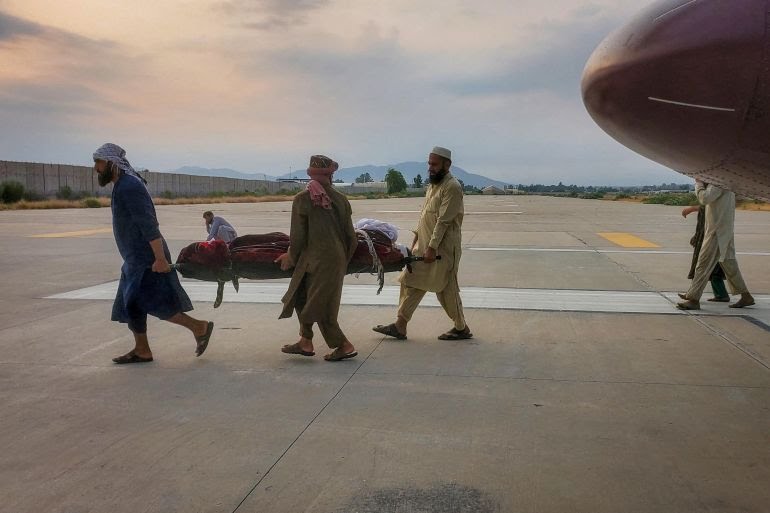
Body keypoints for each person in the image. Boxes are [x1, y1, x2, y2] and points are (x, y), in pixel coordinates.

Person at [93, 143, 214, 363]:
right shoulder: (122, 185)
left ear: (111, 163)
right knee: (132, 303)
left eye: (99, 162)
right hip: (134, 258)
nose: (96, 168)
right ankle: (142, 350)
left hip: (146, 257)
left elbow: (149, 224)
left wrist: (160, 258)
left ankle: (199, 327)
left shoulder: (129, 186)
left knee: (155, 302)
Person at [373, 146, 471, 340]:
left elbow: (443, 221)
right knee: (410, 281)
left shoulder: (452, 187)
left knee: (446, 289)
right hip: (425, 246)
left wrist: (432, 248)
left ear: (447, 165)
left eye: (434, 164)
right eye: (429, 164)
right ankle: (400, 325)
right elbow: (424, 216)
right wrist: (416, 242)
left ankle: (461, 328)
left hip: (443, 249)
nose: (430, 168)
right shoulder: (433, 185)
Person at [275, 155, 359, 361]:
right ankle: (305, 341)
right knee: (300, 296)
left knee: (319, 306)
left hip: (315, 260)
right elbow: (352, 238)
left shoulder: (303, 199)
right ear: (331, 174)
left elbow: (297, 236)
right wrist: (343, 261)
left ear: (310, 174)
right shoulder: (341, 199)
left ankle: (344, 345)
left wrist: (290, 256)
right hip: (332, 260)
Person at [677, 181, 755, 310]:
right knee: (730, 265)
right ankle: (746, 296)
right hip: (724, 231)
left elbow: (704, 198)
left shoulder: (718, 183)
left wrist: (698, 184)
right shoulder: (728, 184)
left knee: (703, 264)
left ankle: (693, 299)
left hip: (717, 232)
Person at [681, 205, 729, 302]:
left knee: (707, 268)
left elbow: (709, 206)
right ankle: (720, 294)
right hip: (706, 238)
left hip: (710, 239)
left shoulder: (713, 205)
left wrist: (692, 208)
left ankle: (693, 294)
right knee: (710, 268)